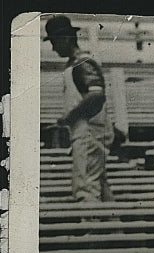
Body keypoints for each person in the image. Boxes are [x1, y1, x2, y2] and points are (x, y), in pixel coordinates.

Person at [44, 14, 113, 202]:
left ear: (65, 39)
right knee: (99, 185)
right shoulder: (75, 65)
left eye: (54, 42)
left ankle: (91, 230)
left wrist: (69, 117)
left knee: (85, 188)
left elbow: (97, 96)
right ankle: (113, 229)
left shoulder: (82, 64)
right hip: (87, 132)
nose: (53, 48)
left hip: (90, 133)